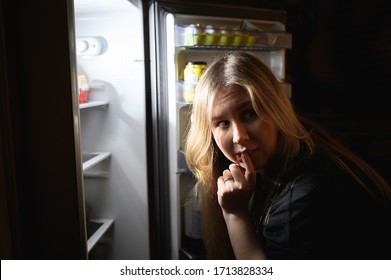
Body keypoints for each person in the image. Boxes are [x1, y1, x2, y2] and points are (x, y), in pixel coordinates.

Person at [184, 51, 391, 260]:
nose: (239, 136)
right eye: (223, 123)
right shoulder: (301, 141)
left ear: (275, 109)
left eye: (250, 113)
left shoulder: (302, 197)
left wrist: (235, 213)